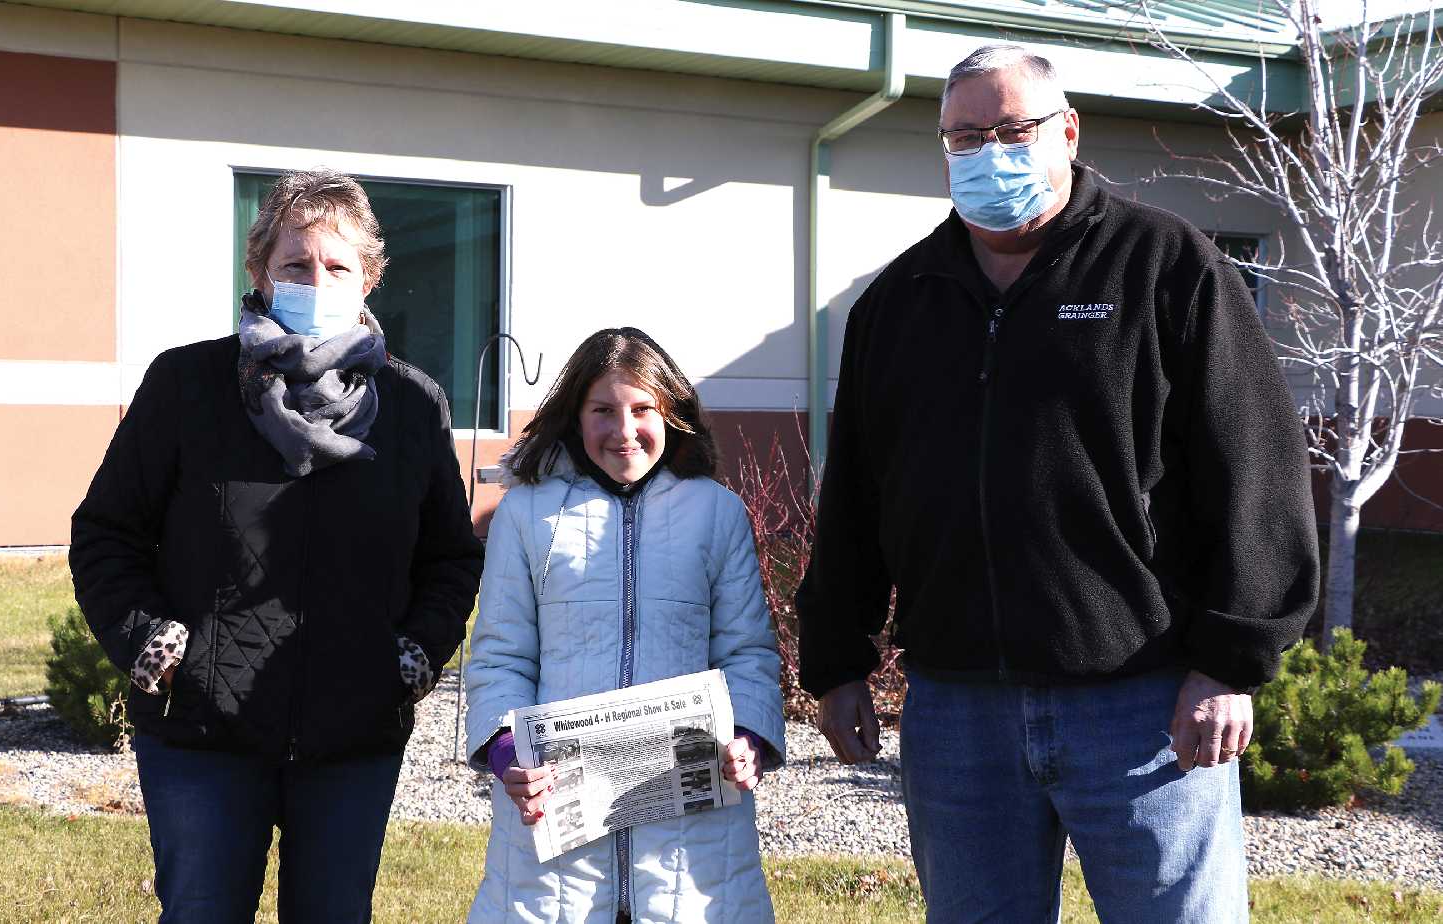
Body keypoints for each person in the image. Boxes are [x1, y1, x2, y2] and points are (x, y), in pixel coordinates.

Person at [795, 45, 1320, 923]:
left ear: (1068, 132)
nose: (987, 153)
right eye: (964, 137)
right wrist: (837, 661)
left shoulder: (1165, 268)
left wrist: (1229, 662)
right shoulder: (900, 302)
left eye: (1011, 130)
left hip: (1144, 708)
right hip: (959, 715)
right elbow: (856, 496)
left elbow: (1256, 472)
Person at [69, 168, 484, 923]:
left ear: (369, 280)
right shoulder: (185, 385)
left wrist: (411, 657)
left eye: (337, 266)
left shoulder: (413, 406)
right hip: (202, 733)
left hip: (353, 734)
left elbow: (449, 559)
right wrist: (154, 643)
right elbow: (106, 533)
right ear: (260, 269)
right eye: (295, 264)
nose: (315, 280)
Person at [463, 327, 786, 923]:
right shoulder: (526, 513)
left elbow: (748, 655)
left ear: (673, 413)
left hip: (692, 841)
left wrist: (748, 736)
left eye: (643, 409)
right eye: (603, 410)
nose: (624, 430)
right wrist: (509, 750)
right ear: (574, 415)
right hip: (556, 846)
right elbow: (500, 657)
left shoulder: (717, 513)